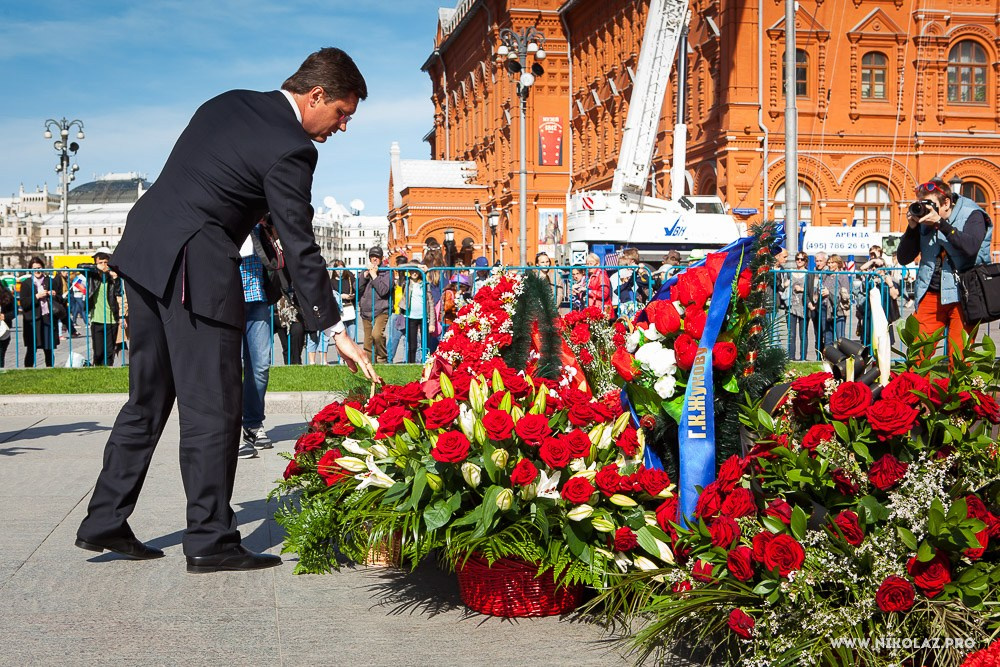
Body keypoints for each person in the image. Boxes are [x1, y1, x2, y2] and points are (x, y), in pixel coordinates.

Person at [75, 48, 380, 574]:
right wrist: (335, 328)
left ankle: (104, 517)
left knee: (145, 401)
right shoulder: (292, 148)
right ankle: (211, 538)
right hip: (197, 270)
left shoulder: (228, 102)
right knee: (214, 409)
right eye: (342, 113)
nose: (343, 127)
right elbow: (299, 241)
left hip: (145, 254)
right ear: (316, 96)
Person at [896, 176, 993, 358]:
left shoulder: (973, 214)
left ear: (946, 202)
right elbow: (903, 258)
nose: (926, 208)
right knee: (917, 355)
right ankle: (914, 386)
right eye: (921, 203)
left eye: (930, 204)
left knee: (959, 358)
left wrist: (941, 224)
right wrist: (912, 228)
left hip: (964, 295)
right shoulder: (923, 221)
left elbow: (971, 248)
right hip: (931, 293)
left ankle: (960, 387)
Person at [238, 225, 273, 459]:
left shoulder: (260, 224)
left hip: (257, 298)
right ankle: (230, 429)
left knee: (260, 366)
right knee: (228, 369)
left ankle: (252, 425)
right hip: (226, 301)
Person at [18, 256, 64, 368]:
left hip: (48, 317)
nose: (37, 271)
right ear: (30, 270)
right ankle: (28, 370)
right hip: (33, 320)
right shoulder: (26, 283)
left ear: (43, 268)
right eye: (34, 269)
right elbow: (24, 303)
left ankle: (50, 369)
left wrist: (54, 295)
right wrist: (37, 296)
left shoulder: (51, 281)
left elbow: (61, 300)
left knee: (48, 348)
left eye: (39, 268)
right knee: (31, 348)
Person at [84, 252, 122, 367]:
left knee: (109, 351)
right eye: (100, 262)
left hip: (111, 319)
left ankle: (108, 369)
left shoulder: (114, 277)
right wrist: (96, 267)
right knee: (98, 351)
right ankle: (98, 369)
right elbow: (80, 266)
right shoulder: (92, 277)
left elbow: (119, 293)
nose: (103, 265)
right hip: (97, 319)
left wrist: (116, 279)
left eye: (106, 262)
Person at [358, 245, 392, 363]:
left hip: (381, 309)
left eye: (377, 257)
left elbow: (383, 290)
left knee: (377, 335)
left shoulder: (387, 272)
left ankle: (382, 359)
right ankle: (369, 364)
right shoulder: (365, 271)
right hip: (366, 310)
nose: (374, 259)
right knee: (367, 341)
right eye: (372, 257)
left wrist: (374, 276)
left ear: (381, 258)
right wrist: (365, 276)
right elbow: (356, 288)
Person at [403, 265, 435, 363]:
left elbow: (430, 303)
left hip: (423, 317)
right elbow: (399, 267)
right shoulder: (406, 282)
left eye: (417, 271)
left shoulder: (424, 284)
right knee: (412, 345)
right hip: (411, 316)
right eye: (412, 270)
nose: (415, 273)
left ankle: (426, 363)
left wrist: (432, 323)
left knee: (425, 343)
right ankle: (411, 364)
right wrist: (416, 266)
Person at [330, 260, 357, 363]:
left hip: (349, 308)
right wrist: (341, 296)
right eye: (337, 269)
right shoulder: (331, 282)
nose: (340, 271)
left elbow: (355, 289)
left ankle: (351, 357)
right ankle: (341, 358)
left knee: (352, 335)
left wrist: (351, 296)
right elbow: (331, 294)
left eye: (342, 268)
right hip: (338, 311)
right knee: (341, 336)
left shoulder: (349, 279)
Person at [822, 254, 851, 343]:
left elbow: (845, 295)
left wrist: (829, 293)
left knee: (840, 337)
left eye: (832, 263)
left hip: (839, 309)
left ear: (838, 263)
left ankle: (843, 356)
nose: (830, 265)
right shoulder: (825, 275)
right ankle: (829, 356)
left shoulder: (843, 276)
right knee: (827, 336)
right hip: (826, 308)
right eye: (829, 263)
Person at [385, 254, 409, 363]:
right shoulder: (394, 281)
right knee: (393, 339)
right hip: (395, 313)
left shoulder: (408, 281)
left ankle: (407, 361)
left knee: (407, 339)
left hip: (407, 313)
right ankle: (388, 359)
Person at [805, 252, 828, 360]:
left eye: (820, 261)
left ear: (825, 261)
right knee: (817, 333)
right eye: (817, 261)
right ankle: (818, 356)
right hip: (813, 307)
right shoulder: (811, 273)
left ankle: (826, 356)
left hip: (823, 306)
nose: (818, 263)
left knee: (825, 333)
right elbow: (807, 290)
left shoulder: (827, 273)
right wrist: (809, 303)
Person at [788, 252, 809, 360]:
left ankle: (803, 358)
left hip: (803, 306)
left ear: (806, 261)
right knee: (791, 334)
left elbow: (812, 290)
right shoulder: (791, 272)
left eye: (802, 259)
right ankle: (791, 357)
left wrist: (802, 289)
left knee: (803, 334)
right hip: (791, 306)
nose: (799, 261)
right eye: (797, 258)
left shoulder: (808, 273)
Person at [584, 252, 613, 317]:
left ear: (597, 264)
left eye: (590, 264)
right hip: (591, 309)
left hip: (601, 310)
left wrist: (588, 291)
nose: (588, 266)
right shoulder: (588, 276)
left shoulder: (601, 275)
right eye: (587, 264)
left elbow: (604, 294)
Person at [0, 278, 14, 368]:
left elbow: (14, 311)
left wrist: (5, 316)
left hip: (2, 331)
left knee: (0, 355)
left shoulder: (5, 293)